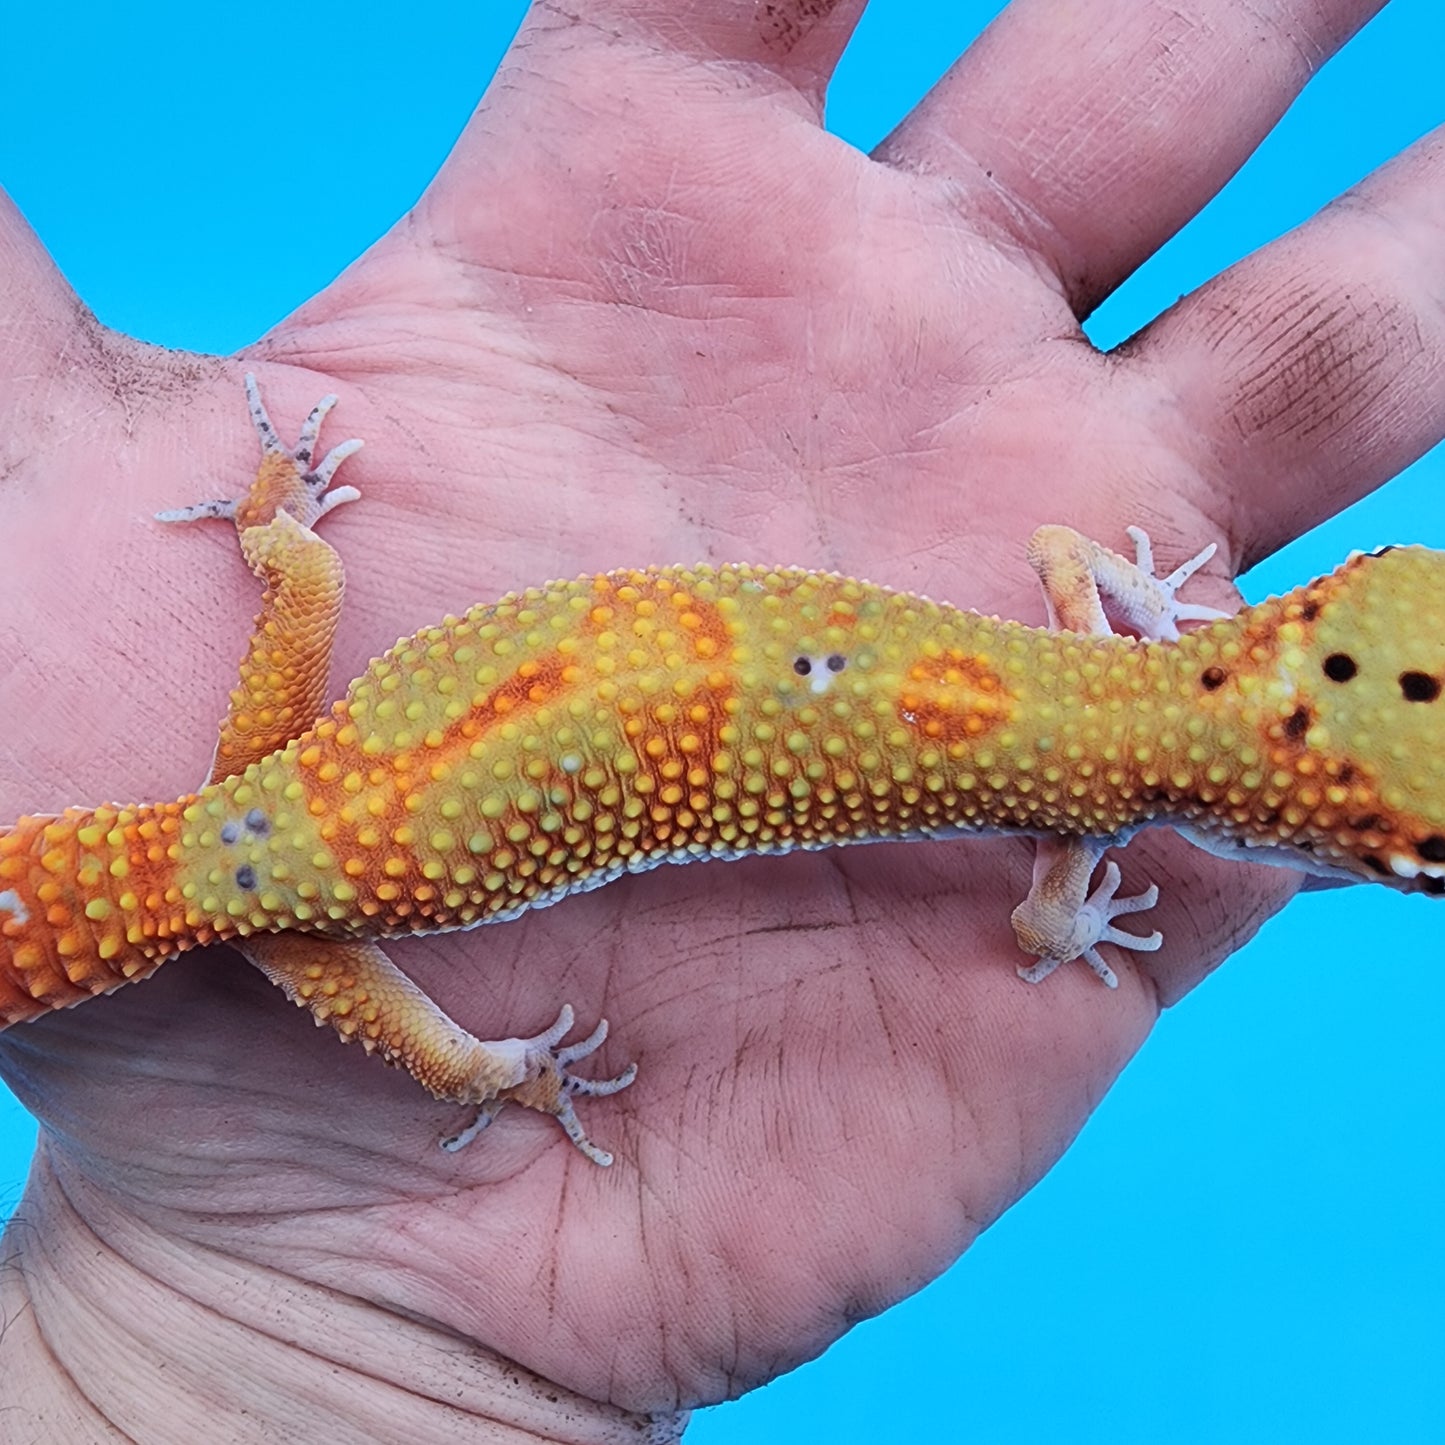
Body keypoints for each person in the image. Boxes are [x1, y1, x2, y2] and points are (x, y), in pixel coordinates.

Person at [1, 0, 1440, 1437]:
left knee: (307, 585)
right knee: (456, 1043)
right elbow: (1040, 923)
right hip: (324, 865)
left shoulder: (1101, 662)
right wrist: (492, 1077)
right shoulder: (1083, 820)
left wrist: (1145, 608)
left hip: (315, 787)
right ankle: (494, 1071)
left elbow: (1071, 555)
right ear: (1269, 823)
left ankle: (287, 545)